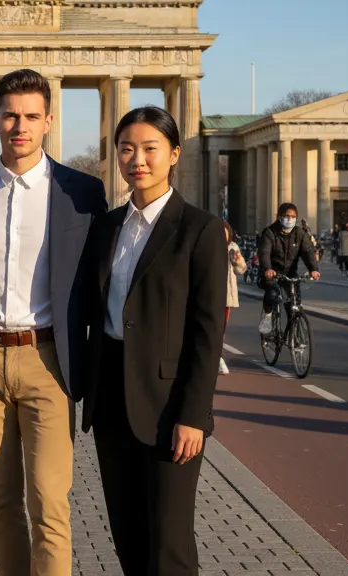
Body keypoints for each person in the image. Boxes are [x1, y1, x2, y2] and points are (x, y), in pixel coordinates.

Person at [0, 69, 107, 575]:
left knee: (50, 505)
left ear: (49, 121)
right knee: (0, 501)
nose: (20, 126)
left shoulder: (83, 192)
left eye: (31, 116)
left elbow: (98, 281)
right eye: (11, 115)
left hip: (48, 360)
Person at [77, 106, 226, 576]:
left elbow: (207, 333)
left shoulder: (199, 229)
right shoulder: (105, 227)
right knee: (127, 537)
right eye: (126, 149)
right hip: (112, 401)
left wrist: (193, 415)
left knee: (170, 543)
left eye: (149, 149)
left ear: (174, 154)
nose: (136, 159)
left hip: (169, 407)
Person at [257, 203, 321, 334]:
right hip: (272, 273)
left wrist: (313, 269)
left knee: (294, 305)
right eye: (287, 216)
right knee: (273, 294)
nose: (290, 219)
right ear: (280, 217)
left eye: (293, 217)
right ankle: (267, 316)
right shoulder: (270, 232)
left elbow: (308, 252)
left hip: (290, 275)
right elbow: (264, 253)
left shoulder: (299, 233)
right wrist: (268, 269)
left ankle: (295, 335)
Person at [221, 221, 247, 375]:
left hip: (226, 294)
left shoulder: (233, 247)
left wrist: (237, 260)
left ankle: (217, 355)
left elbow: (242, 269)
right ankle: (216, 357)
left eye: (225, 231)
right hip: (210, 292)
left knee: (222, 327)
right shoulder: (207, 245)